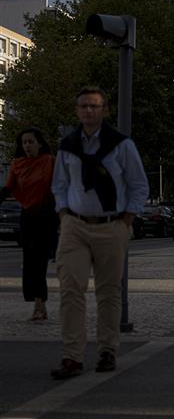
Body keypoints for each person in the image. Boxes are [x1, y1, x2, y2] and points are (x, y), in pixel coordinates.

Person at [50, 87, 149, 379]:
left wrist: (126, 220)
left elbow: (138, 185)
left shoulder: (121, 145)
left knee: (108, 292)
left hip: (111, 225)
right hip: (75, 226)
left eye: (94, 106)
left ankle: (107, 350)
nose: (89, 111)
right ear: (77, 110)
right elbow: (59, 184)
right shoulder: (67, 146)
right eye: (83, 106)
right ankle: (72, 357)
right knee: (70, 291)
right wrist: (64, 214)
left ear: (104, 110)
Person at [0, 128, 57, 321]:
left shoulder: (49, 161)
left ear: (39, 143)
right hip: (27, 216)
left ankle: (39, 306)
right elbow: (8, 188)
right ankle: (38, 303)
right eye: (24, 142)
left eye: (31, 141)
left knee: (39, 262)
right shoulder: (17, 164)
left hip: (46, 215)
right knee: (29, 262)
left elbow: (60, 186)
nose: (27, 146)